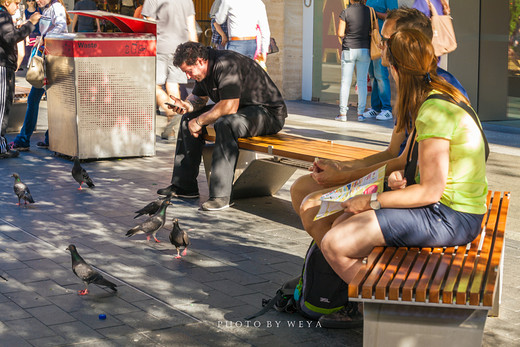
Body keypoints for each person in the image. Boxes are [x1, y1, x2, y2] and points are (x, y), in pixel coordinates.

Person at [316, 28, 487, 328]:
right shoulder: (441, 93)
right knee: (342, 224)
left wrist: (370, 201)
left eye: (387, 66)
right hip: (456, 210)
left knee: (334, 243)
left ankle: (390, 315)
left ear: (396, 70)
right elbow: (426, 171)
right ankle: (378, 298)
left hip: (452, 216)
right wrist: (398, 183)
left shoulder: (432, 109)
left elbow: (432, 192)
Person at [290, 7, 468, 221]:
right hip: (398, 176)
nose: (380, 45)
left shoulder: (436, 92)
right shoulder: (407, 86)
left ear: (408, 43)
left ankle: (345, 249)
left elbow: (406, 164)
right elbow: (392, 152)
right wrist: (341, 167)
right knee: (302, 188)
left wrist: (345, 175)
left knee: (314, 204)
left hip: (417, 189)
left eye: (387, 40)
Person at [156, 42, 287, 211]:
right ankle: (184, 186)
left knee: (225, 124)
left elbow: (229, 107)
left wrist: (199, 122)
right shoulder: (203, 72)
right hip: (243, 109)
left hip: (268, 113)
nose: (188, 76)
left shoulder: (226, 64)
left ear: (200, 62)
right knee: (188, 118)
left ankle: (221, 196)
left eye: (189, 71)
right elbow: (199, 99)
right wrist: (186, 106)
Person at [9, 0, 69, 152]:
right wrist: (41, 39)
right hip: (48, 60)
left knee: (35, 99)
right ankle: (48, 138)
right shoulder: (49, 8)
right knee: (47, 100)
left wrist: (45, 38)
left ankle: (24, 139)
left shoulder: (56, 7)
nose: (38, 0)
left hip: (52, 62)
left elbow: (61, 28)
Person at [141, 0, 198, 142]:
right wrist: (195, 52)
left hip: (160, 47)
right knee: (173, 84)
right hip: (181, 49)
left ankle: (171, 112)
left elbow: (150, 26)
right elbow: (191, 27)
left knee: (151, 84)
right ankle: (171, 130)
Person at [0, 0, 40, 159]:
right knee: (3, 107)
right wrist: (30, 24)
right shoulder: (2, 15)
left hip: (4, 65)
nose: (17, 6)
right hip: (3, 66)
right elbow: (11, 38)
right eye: (16, 3)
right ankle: (1, 147)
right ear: (7, 2)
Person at [335, 0, 371, 122]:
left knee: (345, 82)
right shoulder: (370, 12)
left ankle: (343, 114)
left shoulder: (346, 12)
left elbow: (340, 33)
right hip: (365, 49)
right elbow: (373, 30)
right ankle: (360, 114)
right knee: (362, 82)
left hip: (349, 48)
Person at [363, 0, 398, 121]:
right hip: (370, 39)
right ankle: (375, 107)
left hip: (381, 39)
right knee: (373, 75)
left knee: (381, 75)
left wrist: (374, 13)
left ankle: (386, 109)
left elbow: (394, 17)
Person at [21, 0, 40, 68]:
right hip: (28, 34)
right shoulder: (25, 12)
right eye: (29, 0)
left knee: (36, 51)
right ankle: (27, 65)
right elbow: (24, 23)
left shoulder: (38, 10)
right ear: (26, 2)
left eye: (32, 0)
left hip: (37, 33)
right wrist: (26, 36)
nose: (31, 2)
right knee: (27, 50)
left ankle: (34, 65)